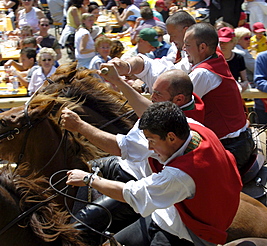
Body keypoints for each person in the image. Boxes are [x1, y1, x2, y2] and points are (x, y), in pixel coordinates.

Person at [64, 101, 241, 246]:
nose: (149, 148)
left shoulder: (180, 176)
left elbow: (131, 193)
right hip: (165, 215)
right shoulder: (193, 126)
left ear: (171, 137)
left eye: (151, 141)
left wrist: (89, 179)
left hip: (184, 233)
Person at [111, 22, 255, 175]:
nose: (184, 49)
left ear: (202, 47)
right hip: (233, 140)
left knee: (180, 181)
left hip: (229, 146)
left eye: (187, 45)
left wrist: (124, 83)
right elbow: (170, 73)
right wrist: (129, 67)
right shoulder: (210, 57)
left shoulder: (203, 74)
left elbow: (168, 107)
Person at [218, 27, 249, 91]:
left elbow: (245, 80)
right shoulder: (213, 59)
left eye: (225, 42)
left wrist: (243, 85)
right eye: (220, 42)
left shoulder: (239, 58)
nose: (222, 45)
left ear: (234, 42)